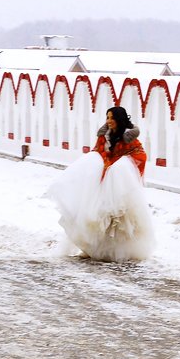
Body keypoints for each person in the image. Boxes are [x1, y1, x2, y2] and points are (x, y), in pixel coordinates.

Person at [47, 106, 155, 262]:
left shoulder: (130, 139)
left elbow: (140, 156)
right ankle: (95, 248)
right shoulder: (104, 137)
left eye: (112, 118)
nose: (109, 121)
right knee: (97, 215)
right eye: (107, 117)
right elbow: (98, 152)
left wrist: (121, 166)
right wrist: (103, 164)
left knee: (117, 219)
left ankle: (117, 251)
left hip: (118, 185)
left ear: (119, 119)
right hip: (102, 181)